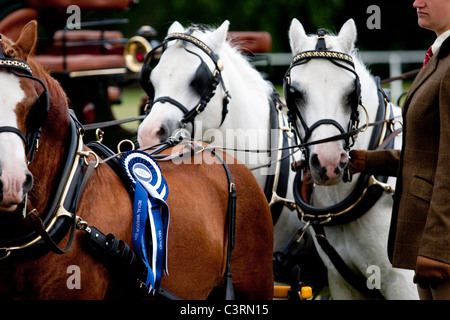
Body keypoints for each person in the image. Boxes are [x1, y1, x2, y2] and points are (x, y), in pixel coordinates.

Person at [349, 0, 450, 299]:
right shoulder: (439, 58)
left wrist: (437, 247)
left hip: (440, 245)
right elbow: (427, 154)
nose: (417, 2)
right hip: (425, 237)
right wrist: (368, 160)